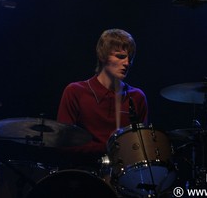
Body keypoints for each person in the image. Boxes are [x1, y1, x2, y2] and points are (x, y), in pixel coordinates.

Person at [56, 28, 148, 171]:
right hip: (84, 172)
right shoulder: (76, 91)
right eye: (120, 56)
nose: (127, 63)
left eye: (130, 58)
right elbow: (63, 142)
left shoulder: (136, 97)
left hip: (124, 176)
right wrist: (107, 147)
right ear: (102, 56)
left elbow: (142, 147)